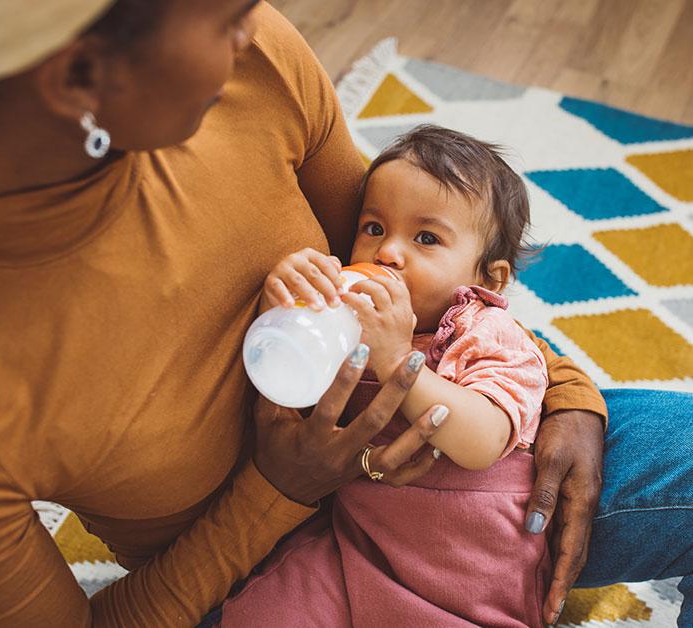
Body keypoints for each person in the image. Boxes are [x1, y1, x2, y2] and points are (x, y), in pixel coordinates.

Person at [0, 1, 689, 627]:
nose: (251, 27)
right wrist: (277, 491)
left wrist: (563, 391)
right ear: (80, 75)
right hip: (258, 572)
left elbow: (427, 276)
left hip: (455, 487)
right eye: (227, 16)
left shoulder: (252, 63)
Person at [223, 125, 554, 626]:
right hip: (358, 547)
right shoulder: (345, 318)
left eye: (426, 238)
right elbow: (297, 402)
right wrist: (284, 312)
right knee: (263, 614)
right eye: (374, 227)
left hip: (465, 572)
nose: (388, 253)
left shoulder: (487, 330)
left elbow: (484, 440)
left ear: (489, 276)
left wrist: (400, 361)